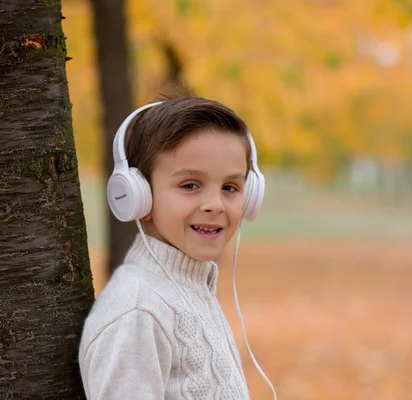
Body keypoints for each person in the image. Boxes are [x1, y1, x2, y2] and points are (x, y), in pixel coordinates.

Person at [78, 97, 272, 399]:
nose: (214, 205)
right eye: (190, 185)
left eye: (230, 188)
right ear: (136, 195)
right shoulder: (138, 311)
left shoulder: (187, 289)